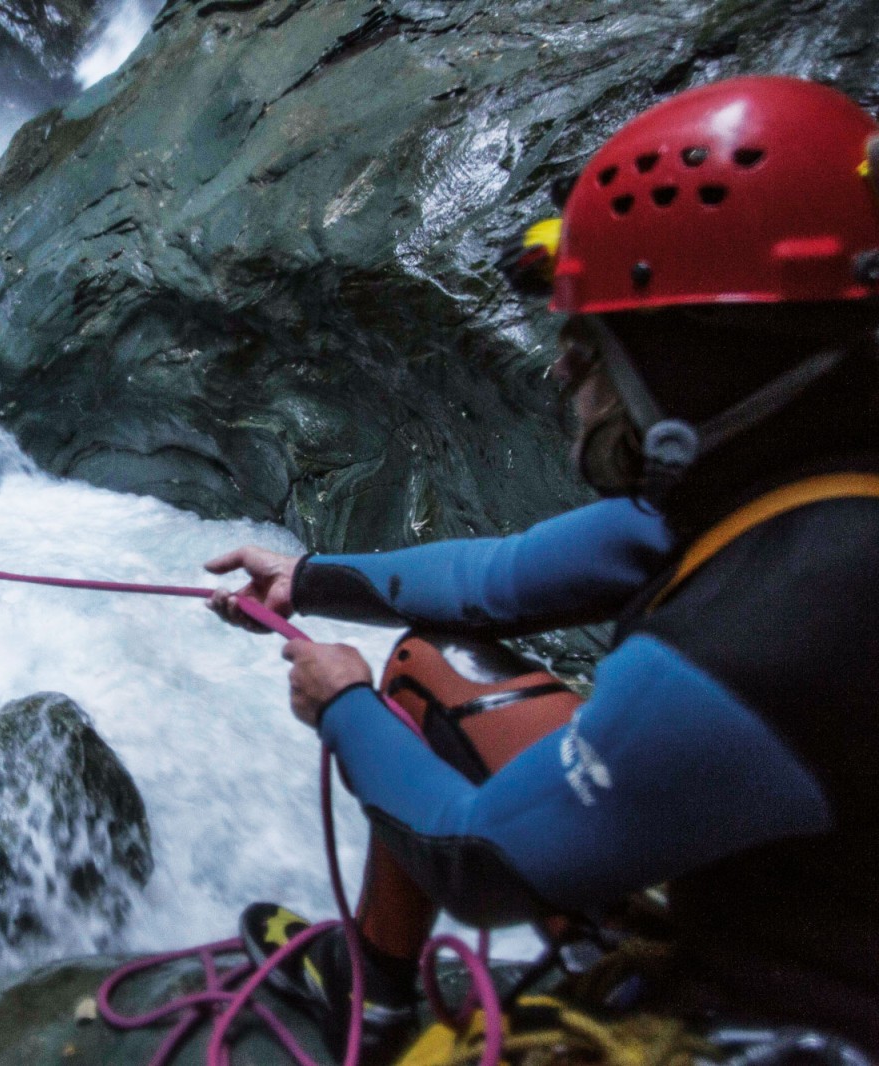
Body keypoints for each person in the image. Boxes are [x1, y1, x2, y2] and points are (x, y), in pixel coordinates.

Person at [205, 76, 879, 1059]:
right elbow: (500, 579)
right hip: (798, 899)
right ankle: (375, 987)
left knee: (402, 709)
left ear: (697, 357)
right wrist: (306, 579)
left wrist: (342, 702)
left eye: (594, 343)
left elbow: (481, 862)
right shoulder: (800, 482)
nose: (564, 372)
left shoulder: (773, 628)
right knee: (432, 663)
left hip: (807, 1028)